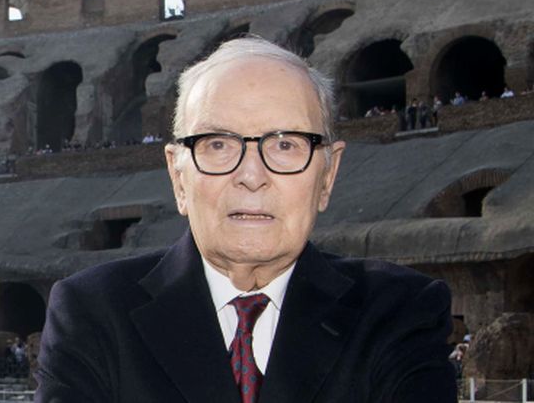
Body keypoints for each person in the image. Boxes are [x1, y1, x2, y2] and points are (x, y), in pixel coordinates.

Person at [35, 37, 456, 403]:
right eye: (218, 144)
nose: (252, 175)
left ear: (327, 176)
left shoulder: (400, 311)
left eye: (286, 144)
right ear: (178, 176)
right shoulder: (93, 312)